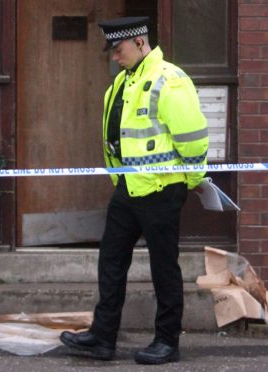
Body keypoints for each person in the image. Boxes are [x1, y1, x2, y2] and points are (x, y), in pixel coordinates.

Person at [60, 17, 209, 365]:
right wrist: (119, 179)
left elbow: (193, 138)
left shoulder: (168, 78)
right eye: (112, 50)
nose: (114, 56)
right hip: (128, 189)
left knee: (163, 268)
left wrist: (187, 181)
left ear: (140, 43)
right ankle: (102, 337)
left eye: (119, 48)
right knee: (110, 261)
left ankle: (167, 341)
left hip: (161, 190)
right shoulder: (120, 84)